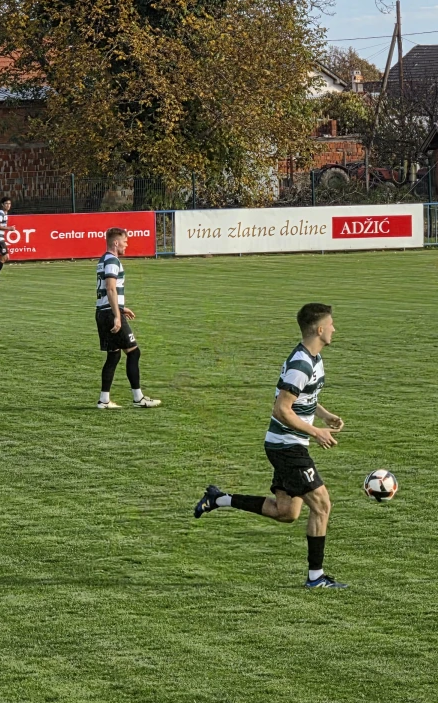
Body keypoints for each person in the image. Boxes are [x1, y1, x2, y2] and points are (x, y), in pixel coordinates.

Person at [194, 303, 347, 589]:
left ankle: (218, 498)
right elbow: (281, 409)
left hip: (287, 444)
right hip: (287, 446)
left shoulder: (312, 358)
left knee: (286, 512)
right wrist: (316, 431)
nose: (335, 329)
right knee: (323, 505)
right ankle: (316, 578)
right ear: (320, 329)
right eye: (332, 324)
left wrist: (324, 414)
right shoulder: (301, 363)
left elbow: (302, 397)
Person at [96, 227, 161, 409]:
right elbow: (110, 288)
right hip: (109, 313)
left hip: (103, 312)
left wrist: (121, 308)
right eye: (125, 241)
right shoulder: (112, 260)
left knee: (114, 356)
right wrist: (117, 315)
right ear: (116, 243)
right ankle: (138, 398)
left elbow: (107, 291)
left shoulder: (104, 259)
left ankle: (104, 400)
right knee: (134, 352)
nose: (127, 244)